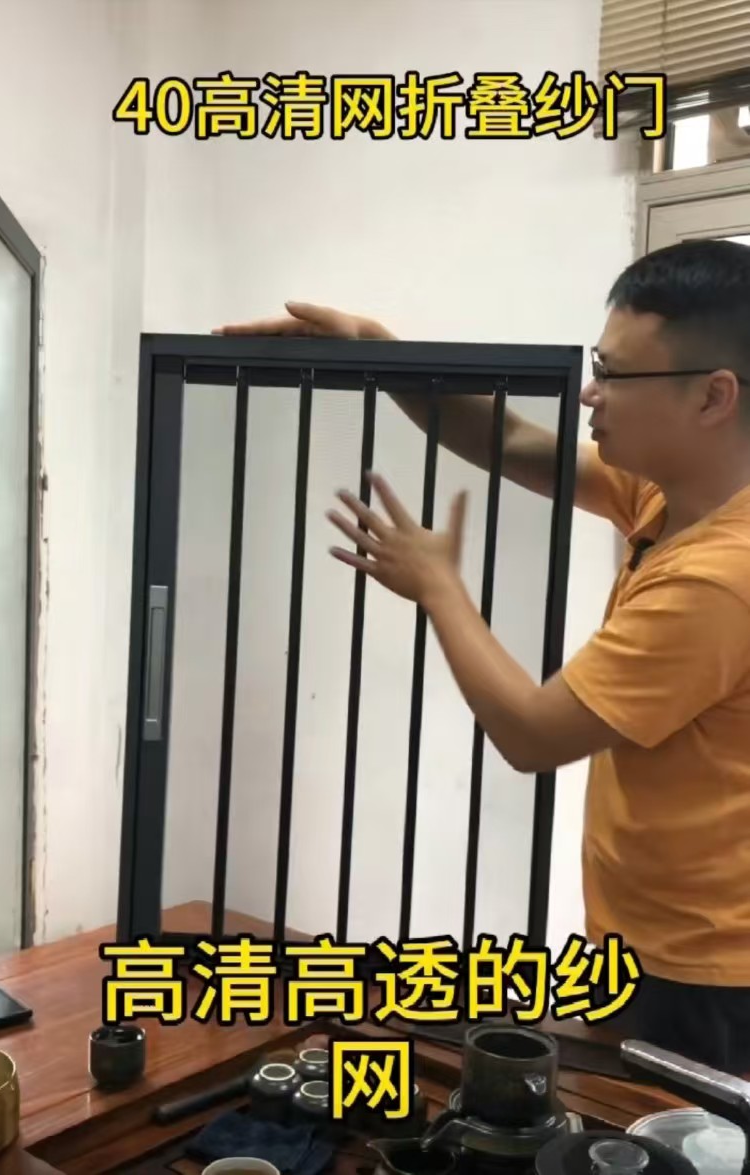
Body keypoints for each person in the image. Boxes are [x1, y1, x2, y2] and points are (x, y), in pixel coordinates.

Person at [215, 238, 750, 1074]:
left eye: (614, 374)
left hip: (704, 974)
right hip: (654, 937)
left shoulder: (721, 579)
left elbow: (534, 732)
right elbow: (511, 440)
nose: (590, 393)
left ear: (713, 395)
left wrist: (440, 587)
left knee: (664, 1135)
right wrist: (381, 354)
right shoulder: (672, 493)